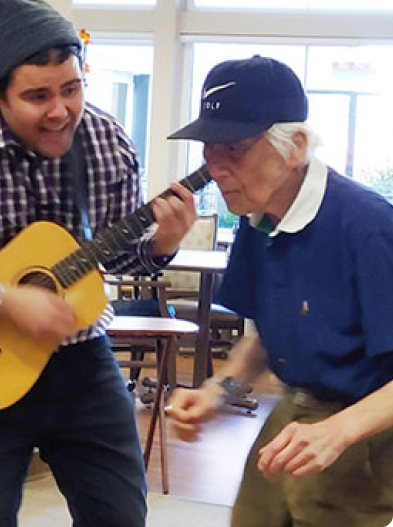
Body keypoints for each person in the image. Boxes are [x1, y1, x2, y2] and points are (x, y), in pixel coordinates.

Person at [0, 0, 196, 527]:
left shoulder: (105, 140)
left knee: (120, 515)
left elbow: (117, 255)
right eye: (37, 96)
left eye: (72, 89)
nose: (60, 111)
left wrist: (160, 247)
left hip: (83, 363)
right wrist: (1, 300)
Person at [167, 55, 393, 527]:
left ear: (295, 146)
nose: (215, 168)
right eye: (209, 149)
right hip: (297, 406)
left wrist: (339, 431)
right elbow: (268, 335)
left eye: (234, 149)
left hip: (366, 421)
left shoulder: (367, 226)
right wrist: (220, 388)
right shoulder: (257, 216)